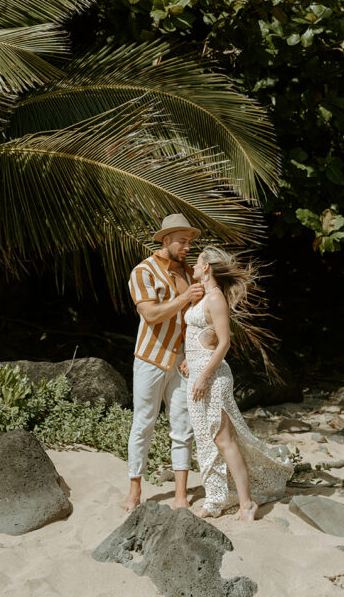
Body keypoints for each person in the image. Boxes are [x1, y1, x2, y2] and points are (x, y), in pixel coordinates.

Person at [182, 246, 293, 521]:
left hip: (212, 377)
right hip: (197, 374)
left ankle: (246, 504)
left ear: (207, 267)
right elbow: (201, 334)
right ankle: (215, 499)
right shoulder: (203, 296)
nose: (193, 266)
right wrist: (189, 360)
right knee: (206, 440)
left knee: (223, 438)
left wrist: (204, 376)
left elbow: (224, 343)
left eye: (197, 262)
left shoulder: (216, 298)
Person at [120, 214, 205, 514]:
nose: (187, 246)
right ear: (166, 240)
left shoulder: (188, 271)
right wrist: (186, 298)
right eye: (182, 241)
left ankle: (181, 496)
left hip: (183, 360)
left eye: (190, 242)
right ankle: (134, 491)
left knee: (182, 426)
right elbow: (152, 315)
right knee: (143, 424)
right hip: (151, 358)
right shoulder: (142, 271)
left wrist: (193, 355)